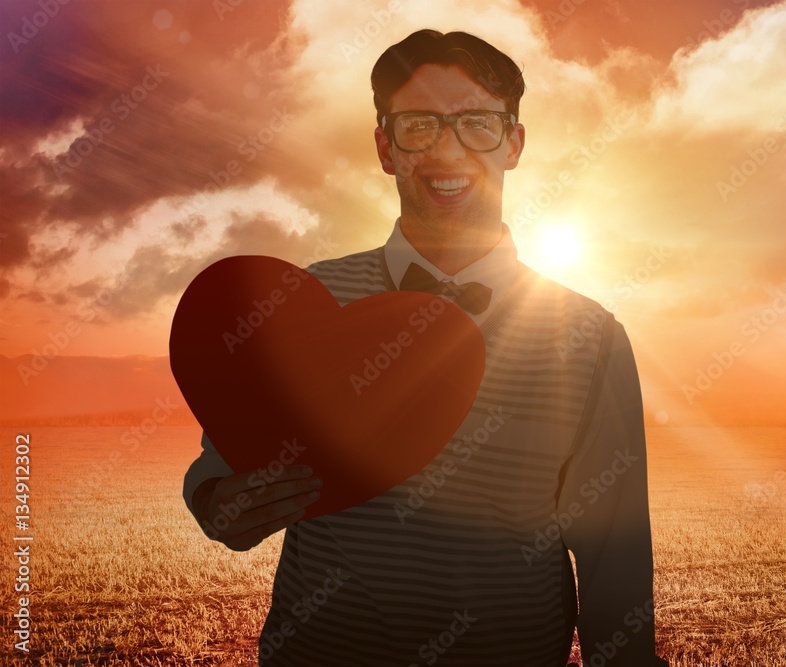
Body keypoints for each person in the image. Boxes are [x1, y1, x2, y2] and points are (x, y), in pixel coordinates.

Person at [183, 29, 667, 667]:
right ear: (385, 147)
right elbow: (222, 460)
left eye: (476, 123)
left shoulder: (589, 335)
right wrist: (219, 500)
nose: (448, 149)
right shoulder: (308, 299)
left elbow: (614, 551)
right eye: (419, 125)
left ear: (514, 143)